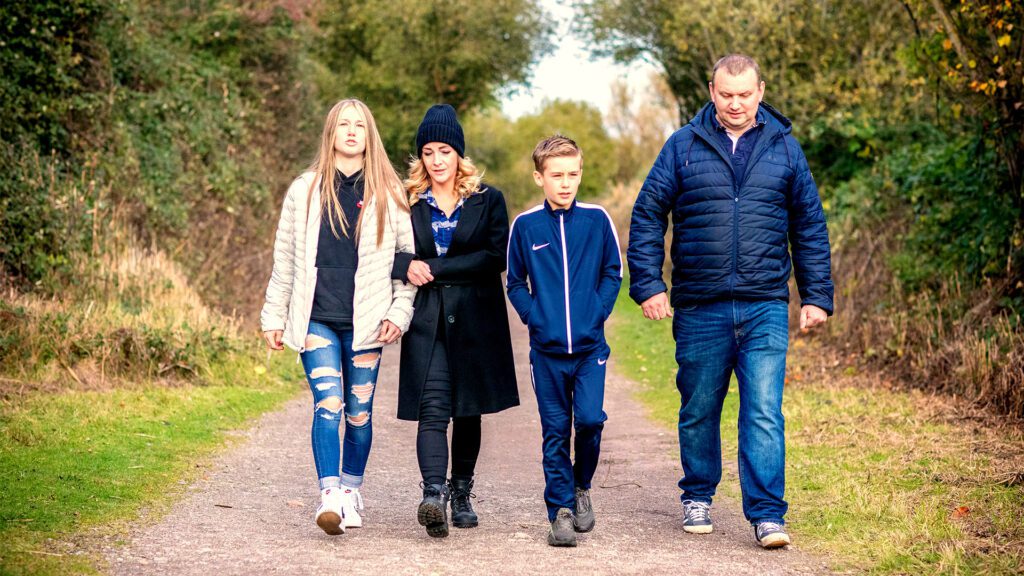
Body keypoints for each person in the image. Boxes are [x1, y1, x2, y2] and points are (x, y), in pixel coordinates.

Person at [627, 54, 834, 548]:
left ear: (760, 91)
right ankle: (697, 495)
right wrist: (649, 284)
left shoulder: (785, 148)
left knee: (763, 410)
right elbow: (647, 214)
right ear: (712, 91)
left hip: (765, 303)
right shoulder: (682, 146)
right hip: (700, 305)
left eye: (744, 94)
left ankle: (767, 514)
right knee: (699, 407)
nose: (735, 104)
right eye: (726, 94)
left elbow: (809, 225)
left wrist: (816, 295)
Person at [260, 98, 416, 536]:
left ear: (370, 135)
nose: (351, 132)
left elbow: (406, 261)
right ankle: (328, 495)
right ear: (330, 133)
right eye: (343, 125)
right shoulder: (304, 189)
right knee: (328, 405)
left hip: (367, 321)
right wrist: (274, 315)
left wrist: (399, 314)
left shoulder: (388, 190)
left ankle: (350, 492)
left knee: (359, 415)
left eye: (359, 126)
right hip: (317, 319)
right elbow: (285, 259)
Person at [391, 104, 519, 538]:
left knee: (468, 412)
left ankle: (461, 492)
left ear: (459, 154)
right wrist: (405, 264)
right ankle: (432, 495)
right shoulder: (406, 203)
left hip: (475, 320)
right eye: (428, 151)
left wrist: (435, 268)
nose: (437, 160)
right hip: (427, 321)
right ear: (420, 158)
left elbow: (494, 257)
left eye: (444, 150)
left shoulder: (488, 200)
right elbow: (383, 251)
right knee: (433, 408)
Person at [506, 135, 622, 547]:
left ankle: (581, 485)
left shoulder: (596, 220)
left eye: (573, 174)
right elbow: (515, 282)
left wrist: (597, 309)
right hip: (547, 353)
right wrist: (534, 316)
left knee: (589, 421)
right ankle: (560, 511)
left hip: (590, 349)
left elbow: (614, 271)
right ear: (539, 177)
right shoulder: (526, 226)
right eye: (556, 175)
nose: (566, 183)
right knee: (555, 429)